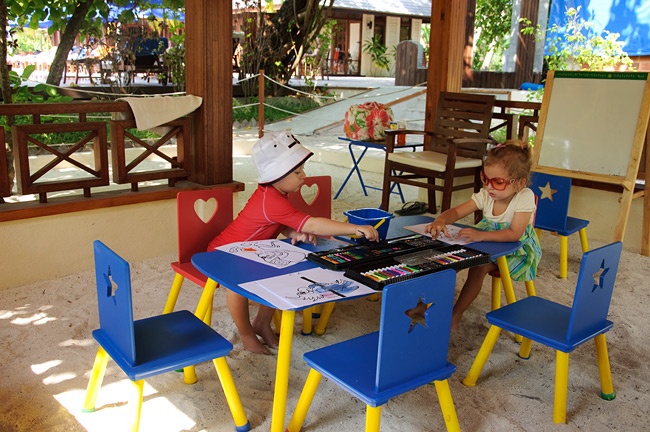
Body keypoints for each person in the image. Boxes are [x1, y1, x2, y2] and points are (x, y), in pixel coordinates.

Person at [208, 131, 380, 354]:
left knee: (280, 272)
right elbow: (313, 225)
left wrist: (293, 232)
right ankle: (246, 333)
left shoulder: (275, 194)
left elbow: (276, 222)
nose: (303, 176)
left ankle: (261, 323)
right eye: (297, 172)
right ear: (277, 175)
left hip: (251, 252)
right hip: (225, 253)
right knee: (238, 286)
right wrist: (353, 228)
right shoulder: (271, 199)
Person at [425, 140, 542, 331]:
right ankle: (426, 304)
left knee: (478, 267)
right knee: (449, 261)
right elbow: (457, 211)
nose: (489, 187)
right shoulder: (486, 194)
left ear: (520, 183)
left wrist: (480, 236)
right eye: (485, 179)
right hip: (486, 241)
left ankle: (455, 314)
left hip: (516, 250)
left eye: (498, 182)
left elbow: (514, 234)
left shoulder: (524, 196)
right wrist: (441, 220)